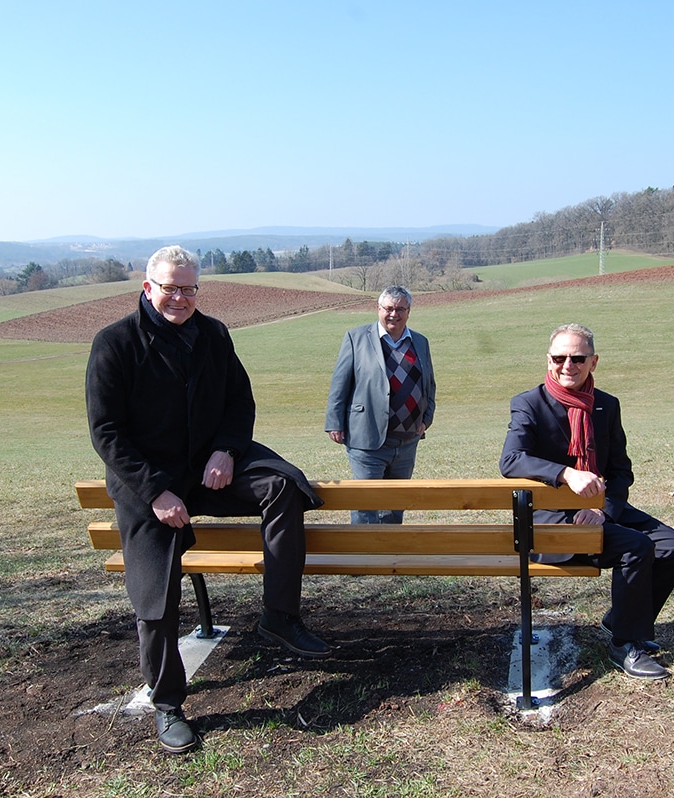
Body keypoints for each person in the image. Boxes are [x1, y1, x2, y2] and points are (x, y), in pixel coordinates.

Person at [85, 245, 331, 754]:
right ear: (148, 287)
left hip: (211, 467)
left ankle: (279, 617)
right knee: (155, 597)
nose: (180, 297)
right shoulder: (114, 343)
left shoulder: (214, 334)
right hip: (147, 482)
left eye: (189, 288)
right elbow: (107, 433)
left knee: (284, 486)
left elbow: (240, 401)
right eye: (170, 287)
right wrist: (155, 491)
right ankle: (168, 703)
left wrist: (227, 450)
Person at [499, 324, 674, 681]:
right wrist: (566, 473)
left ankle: (621, 619)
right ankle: (625, 642)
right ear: (548, 360)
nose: (567, 366)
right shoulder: (529, 403)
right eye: (559, 358)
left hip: (597, 510)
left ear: (594, 362)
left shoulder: (606, 405)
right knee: (635, 546)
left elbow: (620, 471)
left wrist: (602, 511)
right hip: (547, 524)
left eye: (577, 358)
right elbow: (511, 461)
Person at [325, 285, 436, 523]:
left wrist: (426, 419)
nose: (394, 314)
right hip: (367, 440)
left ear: (409, 311)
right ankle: (364, 556)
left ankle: (389, 555)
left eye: (400, 309)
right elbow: (339, 384)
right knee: (366, 504)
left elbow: (429, 384)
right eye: (388, 308)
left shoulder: (420, 342)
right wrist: (334, 422)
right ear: (378, 309)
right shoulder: (356, 338)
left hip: (407, 441)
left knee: (395, 506)